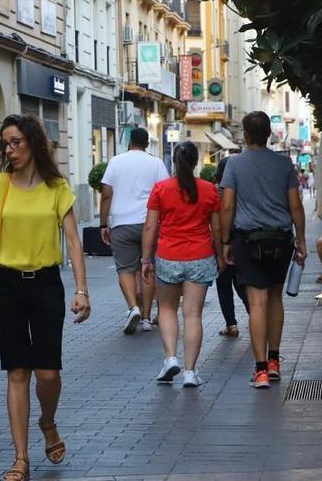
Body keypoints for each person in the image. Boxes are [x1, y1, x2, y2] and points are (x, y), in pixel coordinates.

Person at [0, 114, 91, 481]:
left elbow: (73, 240)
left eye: (16, 142)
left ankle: (48, 420)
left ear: (33, 143)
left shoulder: (57, 187)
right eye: (5, 144)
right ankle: (21, 458)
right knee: (17, 372)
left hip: (45, 285)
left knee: (49, 373)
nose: (10, 150)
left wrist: (82, 290)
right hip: (6, 287)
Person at [220, 111, 307, 389]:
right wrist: (301, 238)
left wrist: (224, 241)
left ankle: (259, 372)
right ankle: (274, 362)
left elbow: (226, 206)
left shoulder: (234, 164)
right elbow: (295, 205)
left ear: (245, 135)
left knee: (256, 303)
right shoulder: (284, 164)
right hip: (281, 240)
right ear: (269, 133)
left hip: (247, 241)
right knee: (275, 299)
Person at [142, 141, 222, 387]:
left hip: (168, 256)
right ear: (196, 163)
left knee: (166, 309)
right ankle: (190, 371)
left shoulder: (161, 189)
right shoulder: (209, 190)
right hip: (200, 256)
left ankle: (170, 358)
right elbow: (216, 228)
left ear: (174, 163)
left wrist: (146, 258)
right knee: (192, 315)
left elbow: (150, 227)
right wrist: (220, 254)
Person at [99, 127, 169, 334]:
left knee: (125, 270)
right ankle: (147, 318)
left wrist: (104, 224)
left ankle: (133, 308)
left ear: (130, 141)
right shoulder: (156, 163)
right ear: (147, 144)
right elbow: (165, 192)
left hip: (122, 223)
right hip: (150, 223)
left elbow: (106, 194)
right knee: (148, 268)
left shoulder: (116, 162)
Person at [214, 149, 249, 338]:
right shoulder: (242, 192)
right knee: (243, 283)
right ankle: (255, 316)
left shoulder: (215, 193)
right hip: (242, 241)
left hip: (221, 244)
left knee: (224, 283)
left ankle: (231, 324)